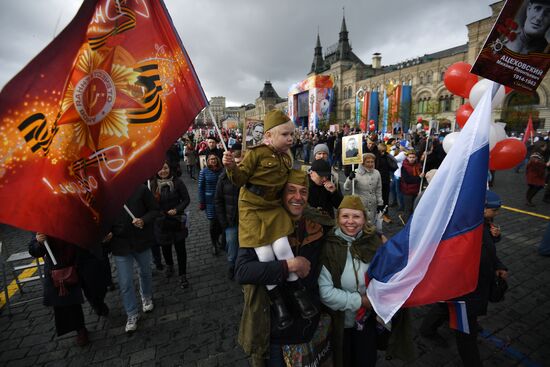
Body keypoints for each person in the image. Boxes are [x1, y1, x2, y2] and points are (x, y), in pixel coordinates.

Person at [223, 110, 317, 331]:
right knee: (264, 254)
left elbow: (291, 182)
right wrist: (231, 167)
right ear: (268, 136)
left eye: (292, 134)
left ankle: (297, 293)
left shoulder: (286, 157)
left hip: (272, 207)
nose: (290, 139)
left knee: (283, 246)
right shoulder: (256, 154)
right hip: (252, 208)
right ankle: (278, 301)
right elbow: (240, 179)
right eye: (285, 134)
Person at [235, 169, 333, 366]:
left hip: (312, 322)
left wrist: (374, 235)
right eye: (291, 191)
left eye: (303, 192)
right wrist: (289, 265)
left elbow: (348, 230)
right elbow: (242, 271)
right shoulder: (260, 225)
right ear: (280, 192)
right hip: (276, 329)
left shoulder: (317, 222)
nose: (298, 197)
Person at [318, 196, 414, 367]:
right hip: (340, 323)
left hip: (368, 320)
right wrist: (361, 301)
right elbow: (326, 293)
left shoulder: (374, 242)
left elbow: (388, 276)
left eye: (356, 216)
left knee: (366, 360)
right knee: (344, 360)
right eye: (345, 216)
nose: (350, 222)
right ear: (338, 218)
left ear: (364, 219)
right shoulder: (329, 247)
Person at [419, 190, 508, 367]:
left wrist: (498, 261)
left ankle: (427, 329)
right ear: (482, 209)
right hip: (463, 289)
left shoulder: (482, 224)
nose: (497, 213)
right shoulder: (462, 228)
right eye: (494, 210)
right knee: (466, 333)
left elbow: (487, 250)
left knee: (444, 307)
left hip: (475, 286)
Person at [28, 234, 109, 346]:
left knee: (96, 288)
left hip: (85, 260)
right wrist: (39, 243)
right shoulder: (43, 223)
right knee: (70, 302)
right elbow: (33, 250)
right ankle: (80, 330)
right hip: (61, 266)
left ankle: (98, 303)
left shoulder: (77, 216)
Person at [104, 184, 160, 333]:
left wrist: (143, 220)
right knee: (125, 282)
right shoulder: (107, 195)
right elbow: (102, 219)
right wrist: (106, 233)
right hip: (120, 245)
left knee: (145, 272)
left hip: (141, 241)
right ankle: (132, 313)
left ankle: (146, 296)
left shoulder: (140, 189)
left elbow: (154, 209)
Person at [150, 161, 191, 288]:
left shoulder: (177, 182)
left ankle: (182, 274)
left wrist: (177, 209)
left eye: (165, 168)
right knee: (165, 247)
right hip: (161, 223)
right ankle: (169, 265)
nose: (163, 171)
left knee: (180, 249)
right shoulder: (152, 185)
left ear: (169, 168)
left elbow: (186, 199)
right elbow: (150, 205)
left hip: (177, 221)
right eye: (160, 169)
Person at [215, 143, 244, 280]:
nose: (237, 166)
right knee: (232, 248)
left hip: (247, 221)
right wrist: (224, 222)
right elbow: (218, 201)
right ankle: (232, 267)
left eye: (240, 163)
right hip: (231, 222)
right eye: (235, 163)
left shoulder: (246, 178)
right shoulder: (223, 179)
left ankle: (243, 267)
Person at [344, 153, 383, 225]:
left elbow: (378, 189)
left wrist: (380, 202)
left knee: (372, 223)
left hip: (373, 204)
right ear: (362, 163)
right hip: (360, 203)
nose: (370, 164)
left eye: (372, 162)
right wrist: (350, 179)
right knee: (360, 223)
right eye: (368, 162)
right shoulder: (356, 173)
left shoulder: (377, 173)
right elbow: (346, 188)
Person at [199, 154, 224, 255]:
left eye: (214, 159)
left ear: (217, 160)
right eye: (210, 159)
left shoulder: (223, 170)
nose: (213, 161)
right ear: (207, 161)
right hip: (210, 201)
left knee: (221, 222)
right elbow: (201, 187)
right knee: (213, 223)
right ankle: (214, 243)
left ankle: (218, 240)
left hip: (222, 200)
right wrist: (202, 202)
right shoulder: (204, 171)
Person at [400, 150, 424, 222]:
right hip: (408, 190)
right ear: (407, 157)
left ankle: (413, 221)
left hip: (416, 189)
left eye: (413, 157)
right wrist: (419, 177)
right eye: (410, 157)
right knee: (408, 208)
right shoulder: (404, 167)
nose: (412, 159)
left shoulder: (418, 165)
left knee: (415, 207)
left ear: (416, 158)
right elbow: (407, 179)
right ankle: (406, 222)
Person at [525, 140, 549, 206]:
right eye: (545, 146)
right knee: (536, 186)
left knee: (534, 187)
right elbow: (535, 163)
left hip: (535, 174)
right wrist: (546, 164)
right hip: (534, 174)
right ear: (541, 147)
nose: (546, 148)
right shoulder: (535, 154)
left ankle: (528, 199)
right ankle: (528, 200)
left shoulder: (538, 154)